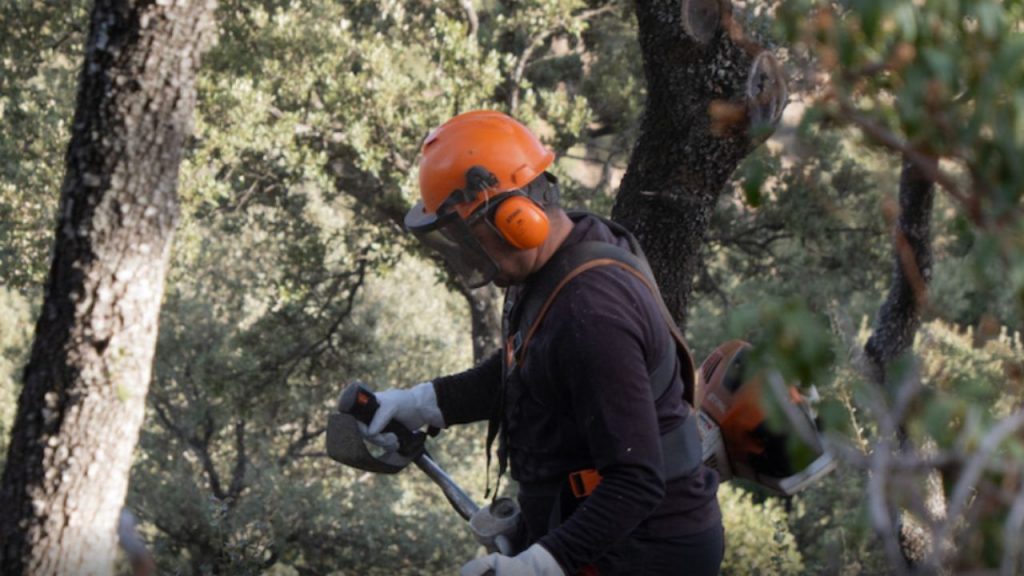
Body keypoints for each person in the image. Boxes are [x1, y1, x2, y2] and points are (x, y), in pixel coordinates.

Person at [361, 110, 723, 575]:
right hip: (597, 532)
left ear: (516, 220)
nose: (465, 256)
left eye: (466, 237)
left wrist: (538, 565)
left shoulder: (592, 315)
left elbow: (635, 481)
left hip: (648, 550)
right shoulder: (559, 257)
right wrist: (422, 403)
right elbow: (525, 366)